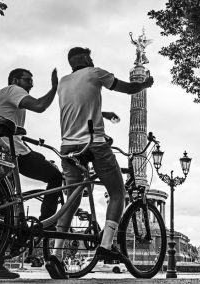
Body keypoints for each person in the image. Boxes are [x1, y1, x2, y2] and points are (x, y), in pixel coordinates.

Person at [51, 46, 154, 278]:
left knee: (72, 200)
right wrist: (145, 84)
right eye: (91, 56)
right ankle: (106, 246)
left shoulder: (64, 83)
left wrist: (103, 114)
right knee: (118, 193)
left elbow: (81, 106)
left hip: (67, 147)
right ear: (87, 58)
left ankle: (56, 255)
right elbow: (128, 88)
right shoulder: (95, 72)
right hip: (94, 144)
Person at [0, 68, 63, 279]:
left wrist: (21, 132)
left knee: (6, 206)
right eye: (28, 80)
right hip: (10, 150)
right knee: (55, 176)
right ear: (15, 80)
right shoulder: (13, 90)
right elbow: (39, 106)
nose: (31, 85)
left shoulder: (2, 94)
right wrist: (54, 87)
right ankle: (46, 224)